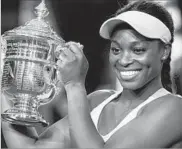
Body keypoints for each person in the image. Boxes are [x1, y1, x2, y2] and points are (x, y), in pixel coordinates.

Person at [2, 0, 182, 148]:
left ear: (164, 52)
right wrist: (3, 81)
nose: (124, 60)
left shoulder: (175, 109)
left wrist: (74, 85)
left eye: (138, 50)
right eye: (116, 50)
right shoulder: (97, 101)